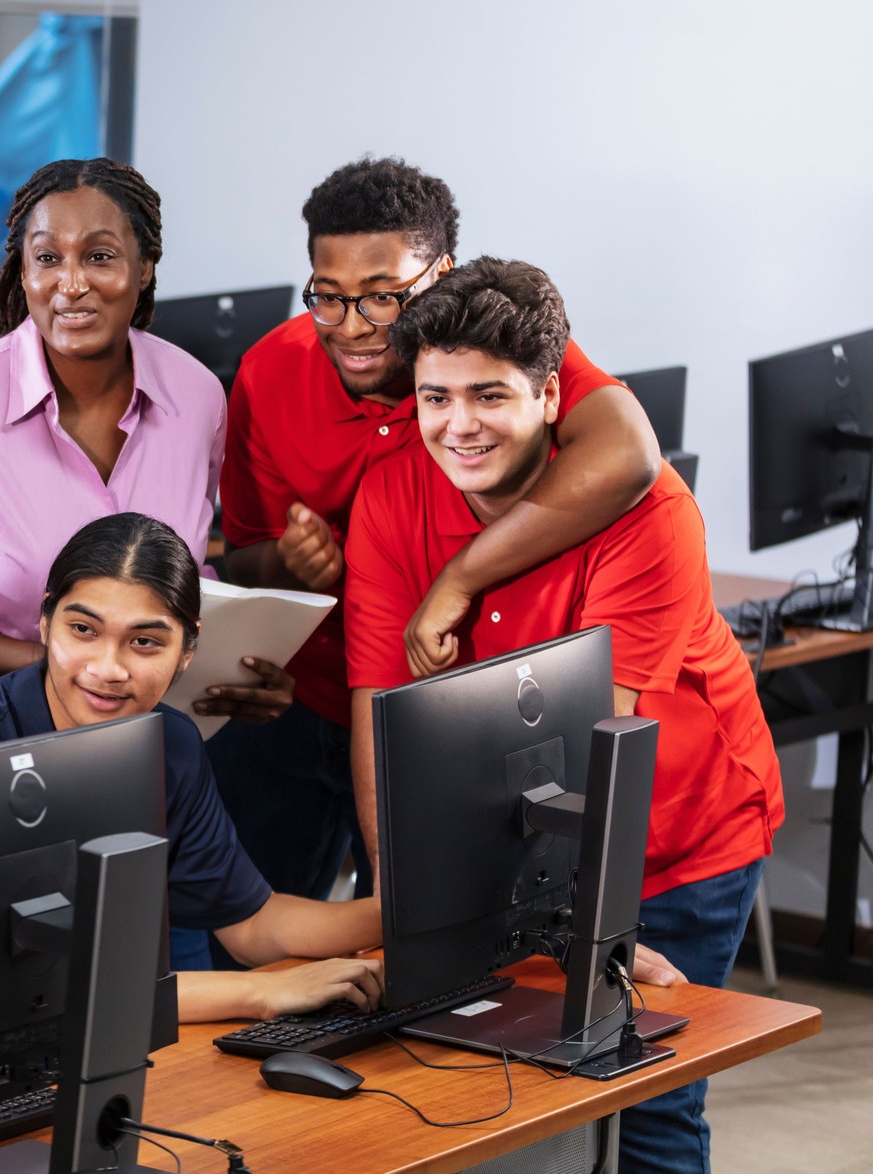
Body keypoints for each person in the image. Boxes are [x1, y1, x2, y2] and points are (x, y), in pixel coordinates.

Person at [347, 257, 781, 1173]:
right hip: (509, 847)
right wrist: (406, 906)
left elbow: (595, 764)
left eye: (489, 396)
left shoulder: (652, 514)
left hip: (673, 837)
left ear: (551, 395)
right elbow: (378, 715)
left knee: (646, 1106)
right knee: (488, 1106)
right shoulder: (393, 493)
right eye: (435, 398)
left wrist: (594, 938)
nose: (458, 425)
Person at [213, 157, 664, 902]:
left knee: (428, 930)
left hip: (440, 700)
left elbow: (630, 454)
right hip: (303, 696)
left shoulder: (486, 343)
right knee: (256, 936)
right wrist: (293, 565)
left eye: (384, 297)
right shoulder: (269, 372)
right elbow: (242, 559)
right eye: (328, 298)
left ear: (439, 276)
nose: (353, 327)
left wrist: (460, 578)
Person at [0, 158, 289, 752]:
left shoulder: (196, 397)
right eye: (47, 258)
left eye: (99, 256)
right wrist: (74, 668)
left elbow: (185, 574)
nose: (70, 284)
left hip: (132, 742)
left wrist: (227, 661)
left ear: (143, 269)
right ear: (22, 270)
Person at [0, 513, 382, 1018]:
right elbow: (11, 980)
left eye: (145, 642)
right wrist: (262, 992)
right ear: (45, 622)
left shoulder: (171, 743)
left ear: (187, 651)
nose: (107, 669)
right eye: (83, 630)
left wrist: (405, 911)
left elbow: (249, 924)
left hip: (111, 1036)